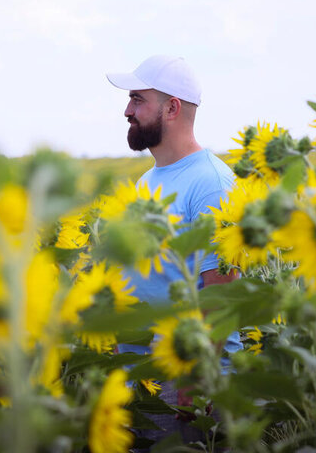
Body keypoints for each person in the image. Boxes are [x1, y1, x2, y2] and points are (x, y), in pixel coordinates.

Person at [106, 55, 240, 447]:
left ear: (172, 108)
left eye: (136, 99)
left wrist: (196, 380)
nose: (126, 111)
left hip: (183, 383)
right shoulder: (148, 181)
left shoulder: (212, 182)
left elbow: (221, 289)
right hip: (141, 379)